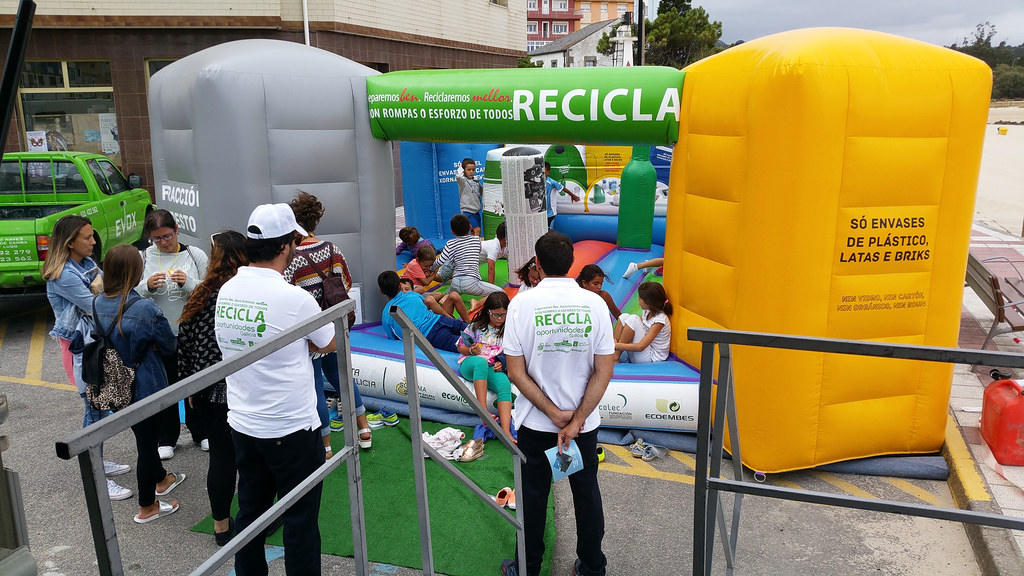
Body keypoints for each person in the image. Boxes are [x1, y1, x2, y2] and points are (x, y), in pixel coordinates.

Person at [215, 203, 335, 575]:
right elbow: (328, 342)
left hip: (244, 423)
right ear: (286, 245)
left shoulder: (228, 290)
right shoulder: (293, 298)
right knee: (300, 523)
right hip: (291, 428)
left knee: (251, 516)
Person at [500, 231, 615, 576]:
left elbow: (515, 371)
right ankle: (592, 566)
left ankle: (527, 567)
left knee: (534, 497)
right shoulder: (595, 303)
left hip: (537, 425)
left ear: (537, 264)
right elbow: (604, 371)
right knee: (585, 491)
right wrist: (576, 420)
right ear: (571, 265)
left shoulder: (521, 303)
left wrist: (553, 414)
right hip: (583, 427)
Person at [42, 215, 132, 501]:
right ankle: (94, 474)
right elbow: (98, 304)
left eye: (92, 236)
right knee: (95, 409)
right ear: (70, 243)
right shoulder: (64, 275)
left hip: (94, 346)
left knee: (99, 408)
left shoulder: (86, 265)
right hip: (82, 352)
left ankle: (97, 461)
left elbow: (105, 293)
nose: (94, 242)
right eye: (87, 238)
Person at [93, 244, 184, 523]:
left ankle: (162, 477)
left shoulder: (97, 301)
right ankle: (148, 506)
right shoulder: (144, 307)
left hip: (116, 382)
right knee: (147, 444)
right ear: (134, 272)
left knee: (142, 434)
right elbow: (169, 345)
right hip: (147, 384)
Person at [282, 191, 371, 452]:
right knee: (344, 376)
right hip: (336, 326)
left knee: (316, 387)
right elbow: (346, 283)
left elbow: (288, 293)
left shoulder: (292, 258)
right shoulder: (332, 249)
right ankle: (364, 429)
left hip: (309, 331)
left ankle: (327, 445)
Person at [177, 230, 247, 545]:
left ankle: (220, 526)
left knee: (220, 457)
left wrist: (190, 386)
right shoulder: (245, 293)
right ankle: (256, 517)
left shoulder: (201, 293)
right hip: (244, 387)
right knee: (253, 457)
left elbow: (186, 343)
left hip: (207, 389)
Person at [136, 209, 210, 460]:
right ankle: (167, 437)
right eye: (156, 238)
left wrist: (188, 283)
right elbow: (133, 294)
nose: (162, 242)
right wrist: (146, 286)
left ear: (176, 229)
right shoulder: (144, 257)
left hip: (190, 332)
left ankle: (200, 431)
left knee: (195, 383)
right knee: (165, 387)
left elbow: (208, 292)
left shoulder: (194, 254)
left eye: (166, 236)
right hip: (159, 335)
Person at [456, 291, 514, 438]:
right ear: (488, 312)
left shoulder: (510, 329)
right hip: (471, 363)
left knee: (504, 384)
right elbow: (460, 346)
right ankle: (483, 411)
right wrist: (470, 350)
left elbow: (514, 352)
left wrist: (503, 364)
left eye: (503, 314)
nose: (500, 318)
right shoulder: (476, 326)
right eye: (496, 314)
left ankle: (506, 431)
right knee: (481, 362)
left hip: (491, 367)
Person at [378, 270, 467, 353]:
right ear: (400, 286)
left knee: (465, 346)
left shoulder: (386, 313)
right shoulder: (412, 294)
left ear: (381, 291)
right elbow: (424, 305)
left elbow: (393, 338)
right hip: (441, 319)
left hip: (431, 334)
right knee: (473, 330)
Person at [432, 214, 502, 298]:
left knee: (446, 295)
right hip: (471, 283)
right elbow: (476, 252)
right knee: (501, 292)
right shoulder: (476, 240)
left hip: (456, 283)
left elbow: (440, 261)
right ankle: (475, 303)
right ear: (470, 227)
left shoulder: (450, 243)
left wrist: (431, 269)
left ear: (452, 232)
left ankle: (444, 297)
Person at [404, 244, 471, 319]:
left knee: (439, 294)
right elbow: (426, 283)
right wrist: (435, 272)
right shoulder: (414, 265)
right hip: (409, 289)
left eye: (429, 266)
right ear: (418, 259)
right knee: (421, 289)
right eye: (426, 266)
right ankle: (449, 318)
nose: (427, 268)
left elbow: (424, 280)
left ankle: (445, 309)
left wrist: (429, 273)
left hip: (416, 292)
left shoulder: (420, 264)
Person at [613, 282, 673, 364]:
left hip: (650, 358)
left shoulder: (660, 320)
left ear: (648, 303)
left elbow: (641, 346)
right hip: (642, 353)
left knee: (633, 319)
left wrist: (616, 345)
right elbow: (634, 328)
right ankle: (613, 352)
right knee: (624, 316)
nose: (638, 300)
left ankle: (615, 356)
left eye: (640, 298)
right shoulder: (647, 312)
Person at [544, 161, 581, 227]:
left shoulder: (551, 182)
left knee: (549, 229)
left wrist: (573, 195)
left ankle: (551, 236)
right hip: (542, 212)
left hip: (550, 213)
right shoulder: (538, 183)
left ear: (548, 172)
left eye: (543, 171)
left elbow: (563, 188)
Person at [456, 157, 483, 236]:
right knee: (477, 230)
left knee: (474, 232)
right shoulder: (462, 181)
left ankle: (472, 246)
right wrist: (460, 168)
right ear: (464, 170)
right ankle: (475, 247)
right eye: (468, 170)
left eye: (473, 170)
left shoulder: (476, 181)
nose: (471, 172)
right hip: (467, 211)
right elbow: (459, 177)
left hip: (476, 211)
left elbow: (482, 192)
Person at [480, 221, 508, 285]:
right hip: (464, 255)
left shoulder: (504, 247)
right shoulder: (494, 247)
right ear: (505, 238)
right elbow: (491, 269)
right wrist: (492, 287)